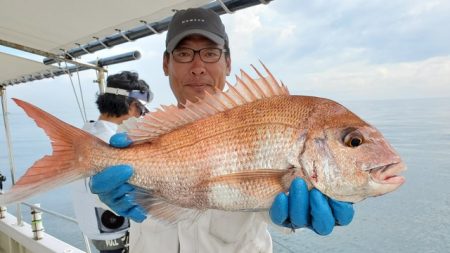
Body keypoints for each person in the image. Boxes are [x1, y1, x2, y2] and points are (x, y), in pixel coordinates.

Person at [90, 8, 354, 253]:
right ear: (166, 64)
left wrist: (298, 215)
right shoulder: (136, 132)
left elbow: (273, 204)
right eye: (183, 53)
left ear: (227, 62)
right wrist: (106, 195)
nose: (198, 67)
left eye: (210, 52)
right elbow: (117, 198)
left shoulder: (263, 120)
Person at [72, 71, 153, 253]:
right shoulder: (112, 140)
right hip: (118, 236)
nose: (141, 116)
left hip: (97, 234)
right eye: (142, 110)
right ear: (132, 106)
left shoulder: (87, 134)